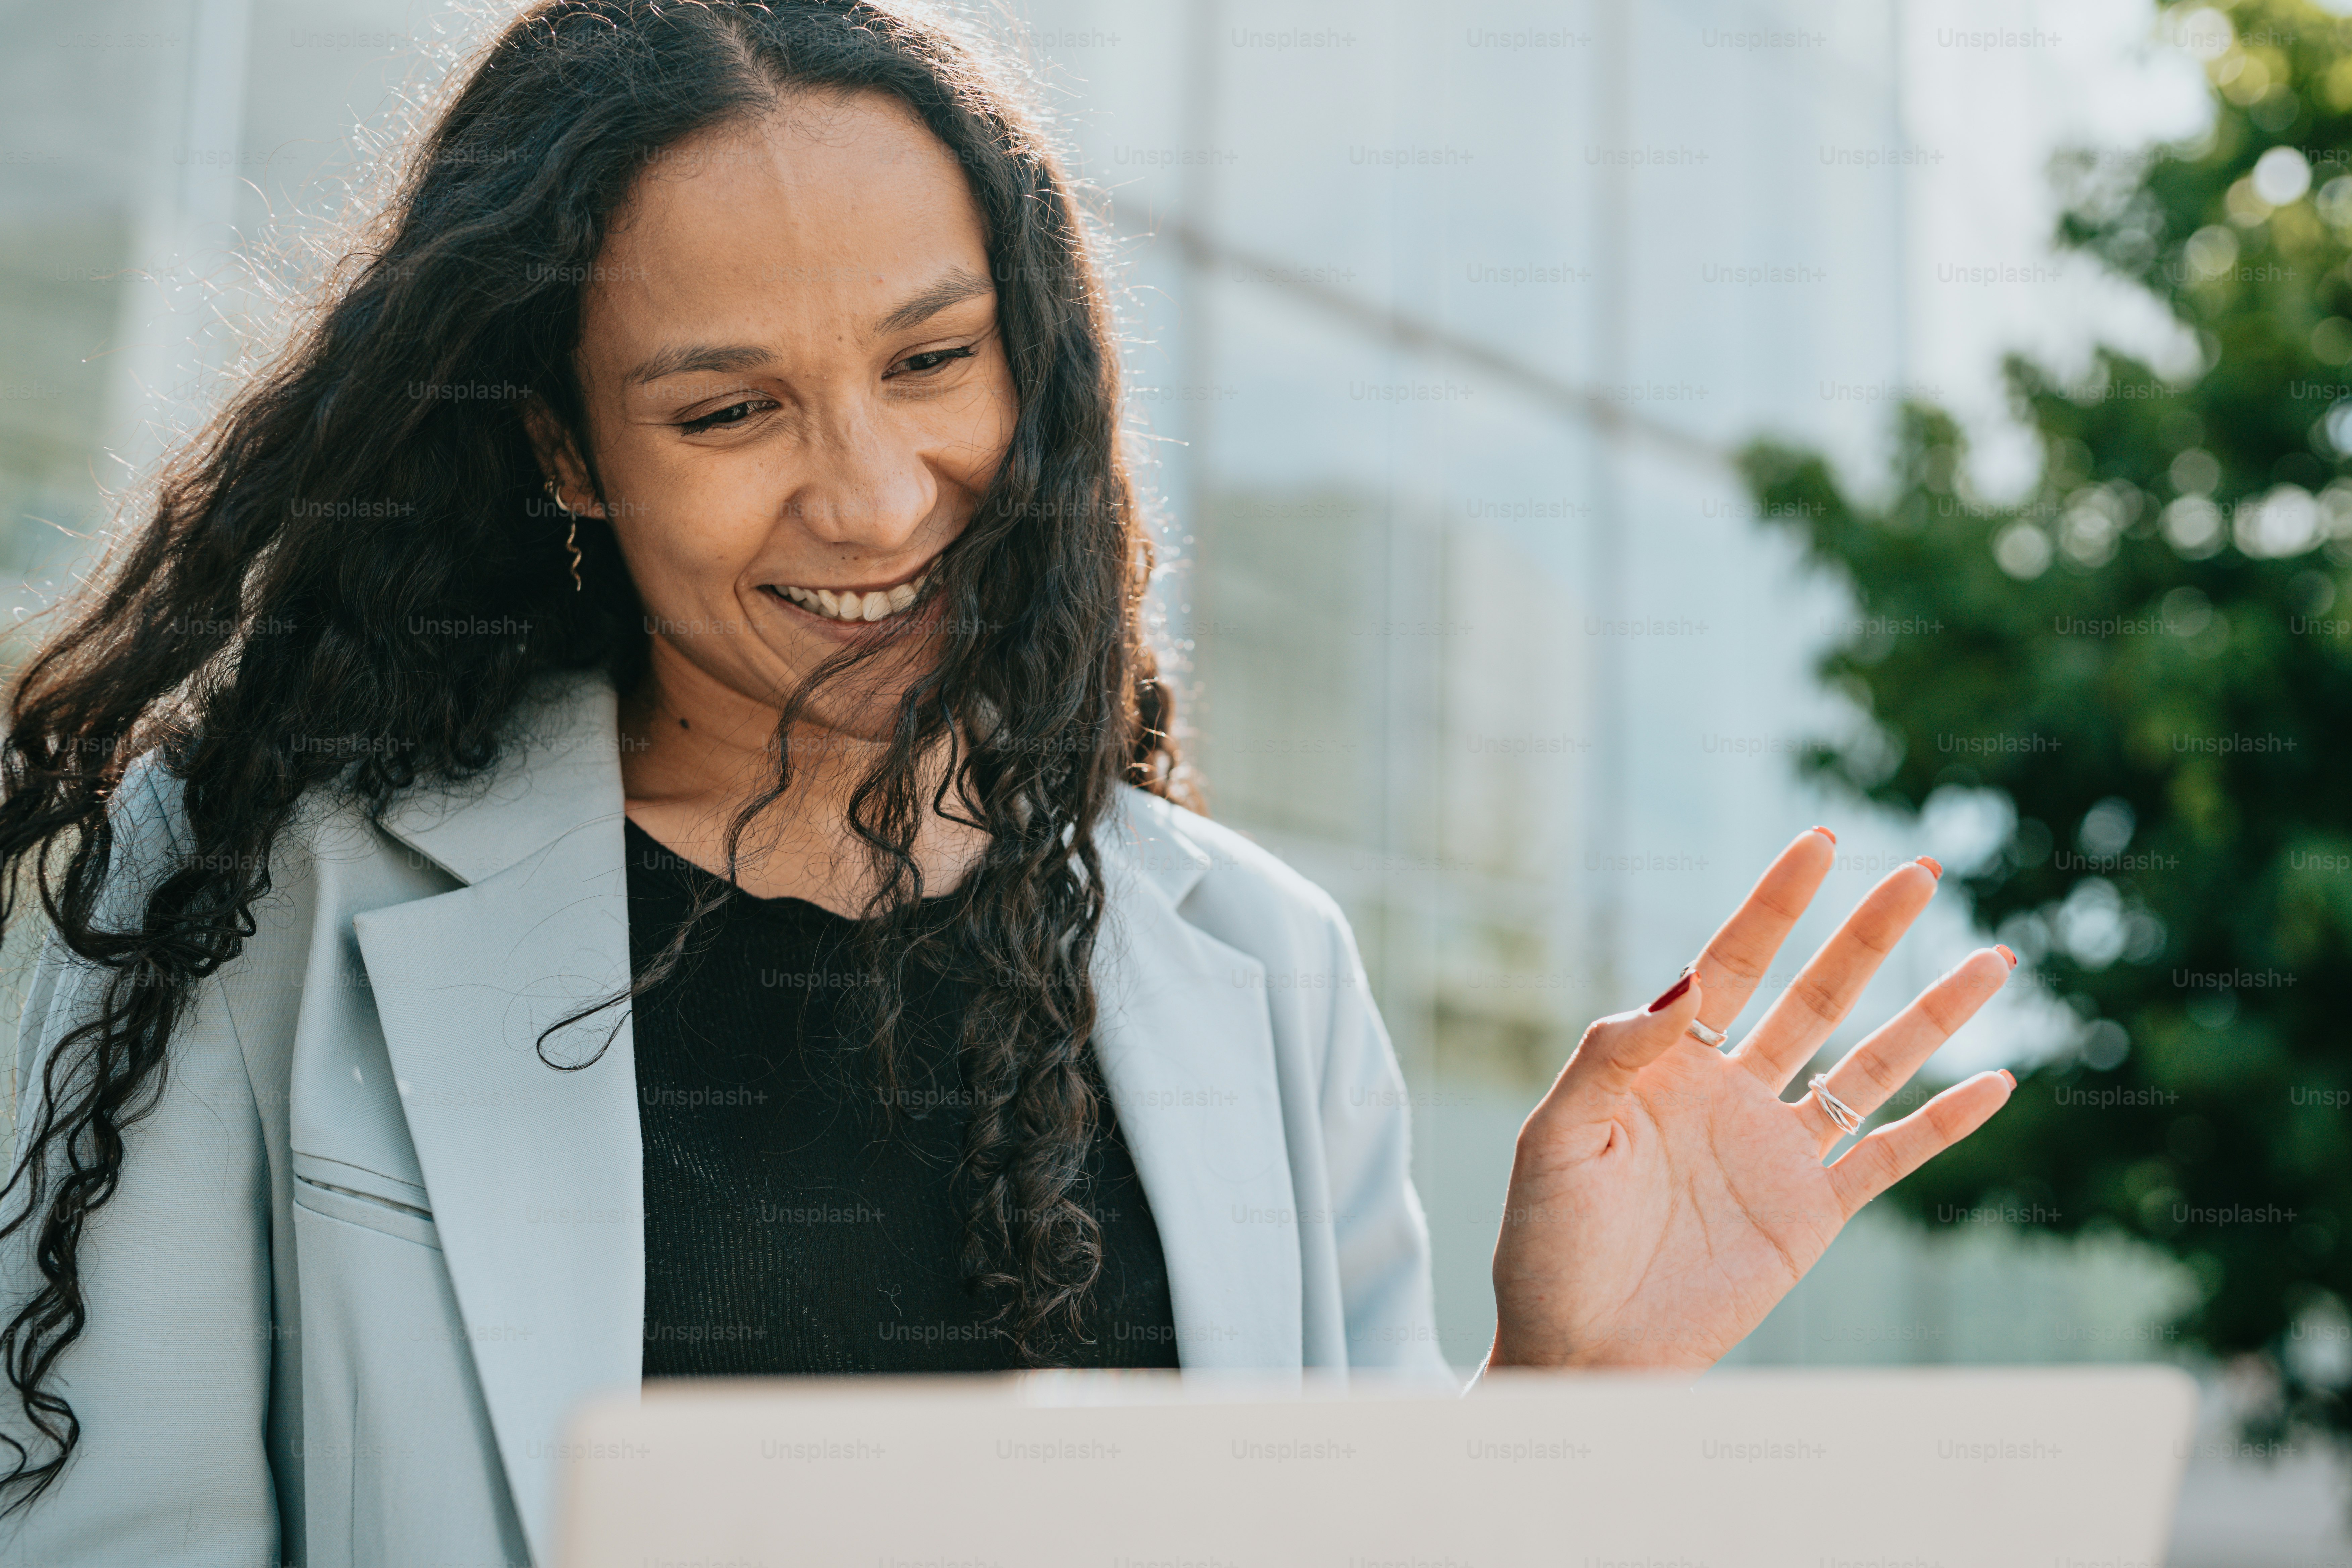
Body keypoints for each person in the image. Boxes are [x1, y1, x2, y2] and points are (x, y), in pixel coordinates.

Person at [0, 3, 2019, 1565]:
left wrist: (1566, 1403)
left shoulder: (1257, 958)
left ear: (1034, 360)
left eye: (932, 362)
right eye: (727, 407)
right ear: (560, 447)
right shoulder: (239, 894)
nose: (875, 495)